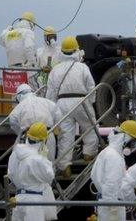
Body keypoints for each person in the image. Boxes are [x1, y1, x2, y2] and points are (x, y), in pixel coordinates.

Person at [46, 36, 98, 178]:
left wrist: (52, 109)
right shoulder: (82, 67)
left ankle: (65, 167)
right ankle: (88, 153)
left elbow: (50, 92)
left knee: (65, 135)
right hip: (81, 100)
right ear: (76, 51)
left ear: (62, 52)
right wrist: (91, 101)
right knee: (89, 127)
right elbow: (91, 87)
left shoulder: (55, 70)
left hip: (62, 103)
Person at [90, 120, 136, 221]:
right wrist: (113, 209)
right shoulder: (114, 157)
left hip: (107, 204)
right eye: (133, 142)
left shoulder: (109, 152)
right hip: (112, 207)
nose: (133, 147)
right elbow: (111, 185)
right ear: (125, 138)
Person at [8, 122, 56, 221]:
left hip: (18, 199)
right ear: (43, 141)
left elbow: (10, 174)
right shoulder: (37, 159)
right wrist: (44, 158)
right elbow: (49, 176)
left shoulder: (15, 154)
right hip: (34, 202)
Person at [9, 83, 62, 161]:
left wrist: (21, 132)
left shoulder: (18, 108)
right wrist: (54, 128)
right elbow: (58, 114)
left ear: (18, 97)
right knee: (48, 164)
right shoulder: (47, 102)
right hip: (47, 134)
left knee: (29, 162)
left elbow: (13, 123)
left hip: (29, 136)